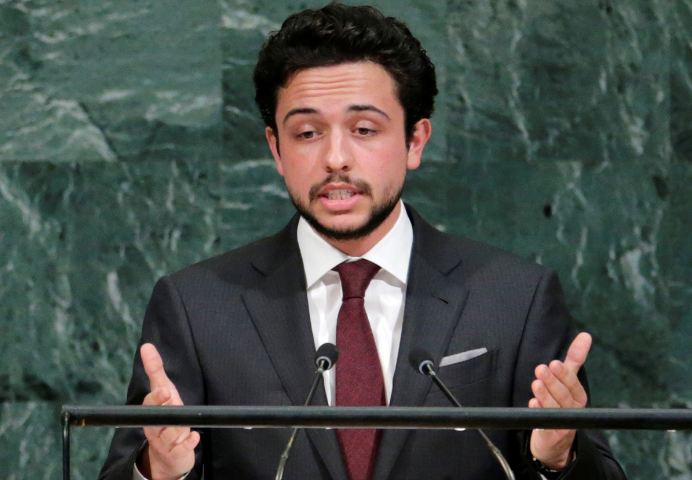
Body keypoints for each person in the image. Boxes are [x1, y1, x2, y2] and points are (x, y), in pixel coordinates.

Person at [99, 4, 626, 480]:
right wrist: (161, 472)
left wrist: (557, 458)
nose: (335, 159)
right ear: (276, 149)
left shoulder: (514, 298)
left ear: (415, 140)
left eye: (365, 130)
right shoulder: (198, 306)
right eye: (307, 133)